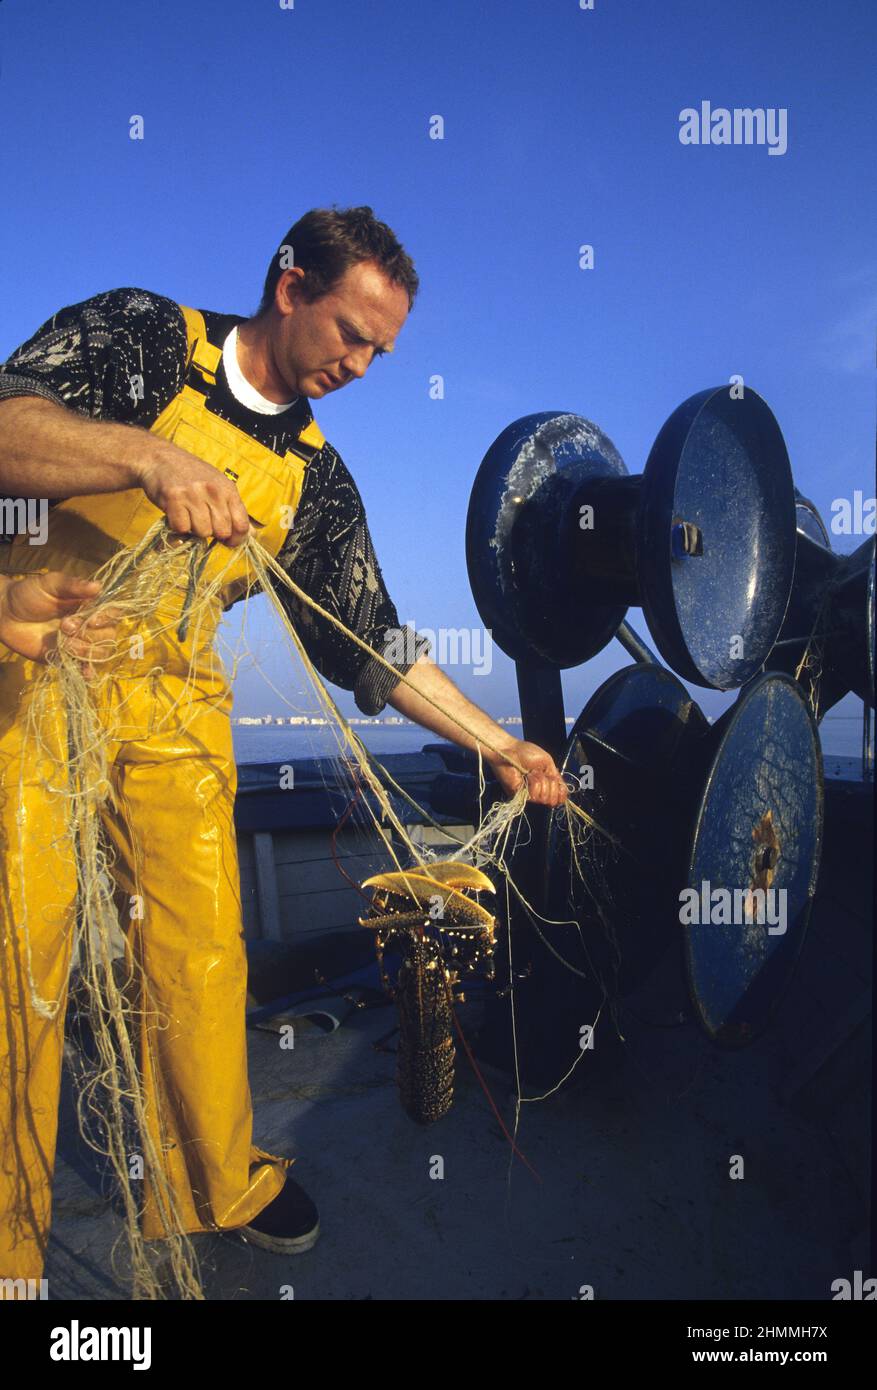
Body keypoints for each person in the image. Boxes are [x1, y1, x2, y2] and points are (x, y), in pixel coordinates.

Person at [0, 205, 567, 1279]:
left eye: (381, 351)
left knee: (201, 953)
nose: (360, 364)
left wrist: (501, 745)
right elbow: (3, 425)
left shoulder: (315, 476)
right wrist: (144, 459)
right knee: (19, 958)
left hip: (171, 701)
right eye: (352, 332)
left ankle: (211, 1180)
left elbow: (375, 644)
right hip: (32, 659)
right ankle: (8, 1234)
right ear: (291, 282)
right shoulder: (140, 337)